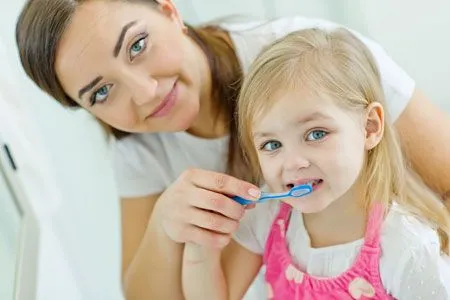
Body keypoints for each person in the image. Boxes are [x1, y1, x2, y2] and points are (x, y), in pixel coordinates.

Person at [15, 0, 450, 298]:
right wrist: (167, 224)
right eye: (102, 91)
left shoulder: (308, 56)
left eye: (137, 46)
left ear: (169, 11)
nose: (145, 93)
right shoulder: (140, 153)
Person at [182, 27, 450, 299]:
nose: (293, 162)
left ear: (369, 127)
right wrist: (199, 245)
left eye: (316, 134)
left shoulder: (405, 248)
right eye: (272, 145)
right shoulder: (268, 218)